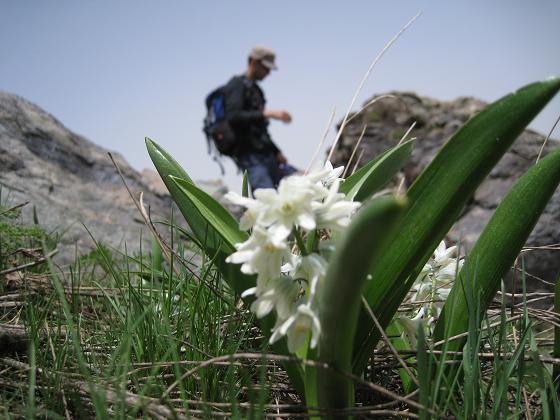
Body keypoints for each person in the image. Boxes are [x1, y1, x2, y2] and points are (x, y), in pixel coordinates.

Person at [223, 45, 298, 192]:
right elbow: (233, 117)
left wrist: (277, 152)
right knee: (267, 198)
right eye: (266, 67)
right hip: (251, 158)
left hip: (267, 155)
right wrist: (267, 113)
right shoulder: (236, 84)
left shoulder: (257, 91)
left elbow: (259, 130)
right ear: (254, 62)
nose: (269, 72)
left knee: (297, 185)